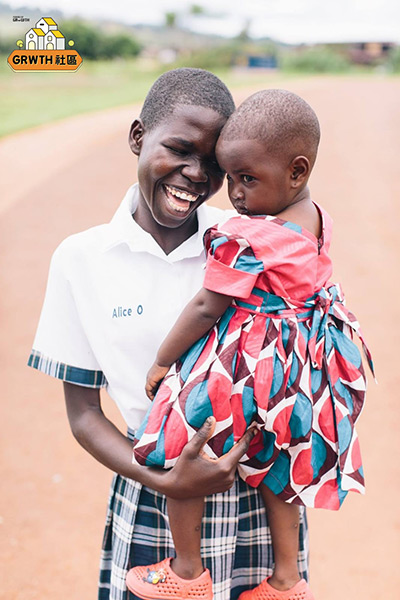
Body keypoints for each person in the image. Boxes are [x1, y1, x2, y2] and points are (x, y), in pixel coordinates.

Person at [27, 71, 309, 600]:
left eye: (215, 165)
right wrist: (165, 481)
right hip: (156, 492)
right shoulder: (81, 260)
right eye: (179, 149)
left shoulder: (245, 241)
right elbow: (84, 415)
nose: (195, 175)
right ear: (138, 137)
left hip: (259, 492)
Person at [126, 90, 374, 600]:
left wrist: (161, 360)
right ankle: (286, 581)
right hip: (300, 370)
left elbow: (206, 306)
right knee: (278, 466)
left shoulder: (249, 236)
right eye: (231, 178)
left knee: (179, 440)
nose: (234, 195)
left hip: (249, 362)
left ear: (297, 172)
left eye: (247, 179)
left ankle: (187, 571)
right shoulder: (314, 218)